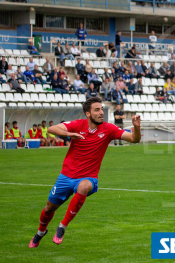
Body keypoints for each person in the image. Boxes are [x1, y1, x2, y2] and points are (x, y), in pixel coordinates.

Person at [28, 97, 141, 248]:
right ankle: (40, 232)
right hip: (66, 176)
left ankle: (62, 226)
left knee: (83, 187)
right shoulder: (78, 125)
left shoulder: (109, 129)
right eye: (97, 110)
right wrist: (70, 134)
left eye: (101, 109)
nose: (101, 112)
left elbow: (134, 139)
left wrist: (137, 127)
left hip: (89, 177)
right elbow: (51, 129)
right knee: (49, 208)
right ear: (87, 114)